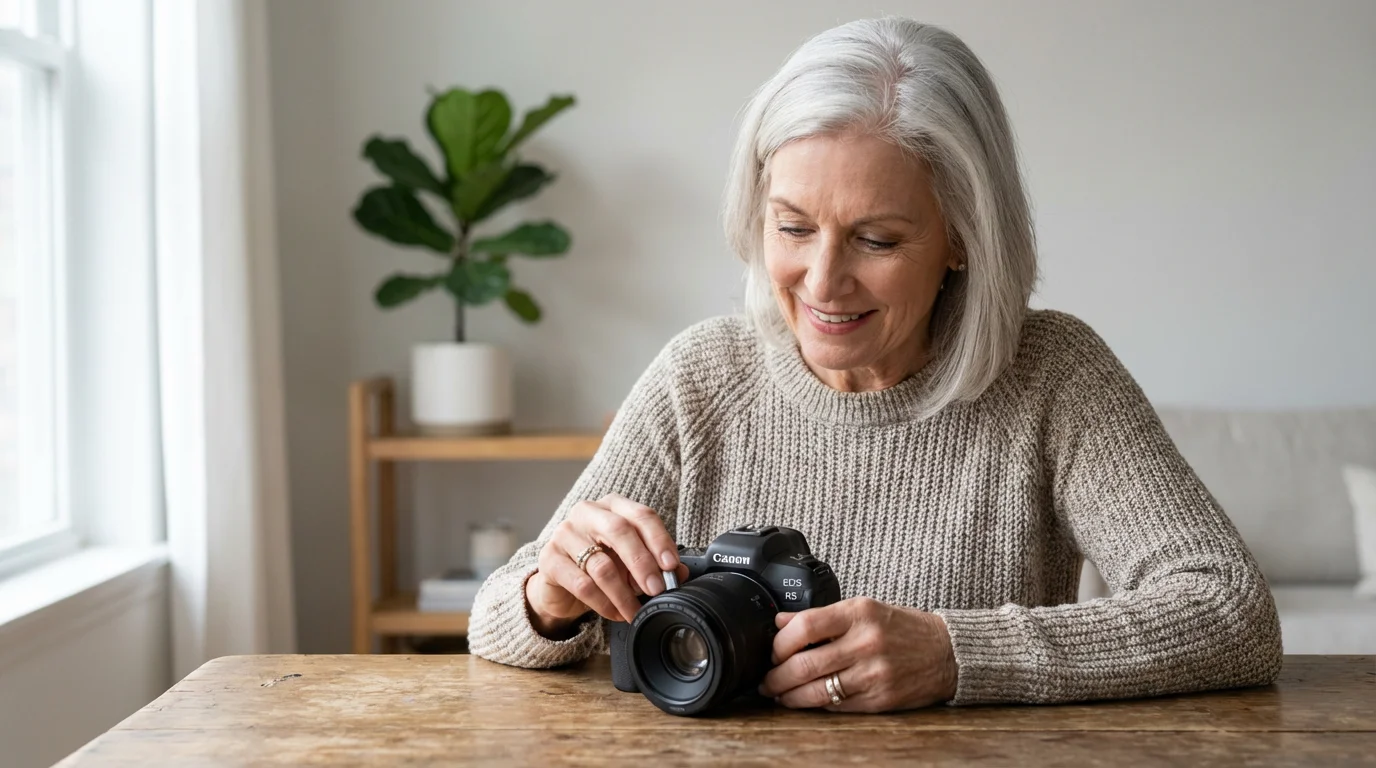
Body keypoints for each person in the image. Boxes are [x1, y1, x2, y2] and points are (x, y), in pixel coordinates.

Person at [467, 17, 1282, 711]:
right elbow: (494, 618)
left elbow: (1231, 612)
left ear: (964, 238)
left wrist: (956, 654)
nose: (822, 283)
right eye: (791, 228)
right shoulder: (701, 374)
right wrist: (552, 594)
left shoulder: (1052, 373)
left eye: (877, 240)